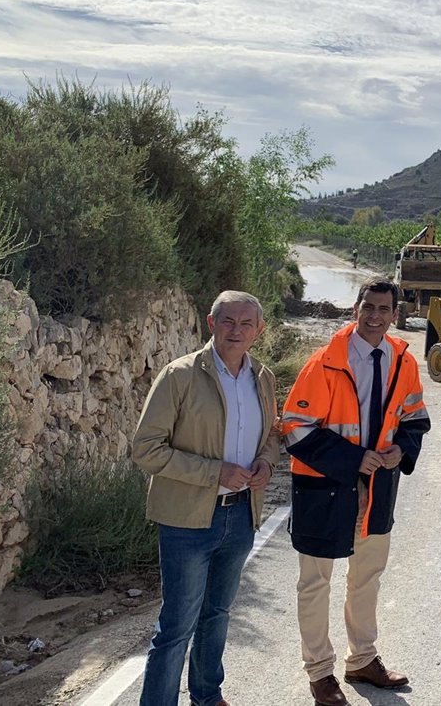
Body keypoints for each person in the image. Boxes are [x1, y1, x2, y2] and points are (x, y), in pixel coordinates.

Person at [281, 278, 431, 706]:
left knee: (367, 577)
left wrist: (402, 448)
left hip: (378, 489)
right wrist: (353, 459)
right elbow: (293, 426)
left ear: (395, 315)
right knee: (315, 582)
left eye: (384, 309)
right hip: (324, 489)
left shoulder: (404, 361)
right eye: (369, 307)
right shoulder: (325, 361)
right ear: (356, 309)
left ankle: (362, 659)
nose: (375, 316)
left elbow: (415, 417)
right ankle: (319, 672)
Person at [132, 290, 281, 706]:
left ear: (259, 330)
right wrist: (214, 472)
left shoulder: (263, 378)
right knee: (177, 626)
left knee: (217, 615)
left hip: (241, 518)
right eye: (228, 321)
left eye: (246, 323)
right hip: (186, 521)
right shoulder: (178, 376)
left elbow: (272, 434)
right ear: (211, 323)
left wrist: (267, 464)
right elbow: (146, 449)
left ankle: (207, 696)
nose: (237, 330)